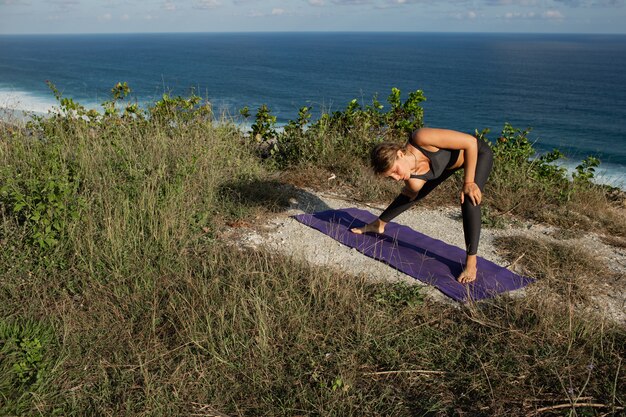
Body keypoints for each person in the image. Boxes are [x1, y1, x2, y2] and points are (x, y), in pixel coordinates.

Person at [350, 127, 493, 283]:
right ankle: (378, 224)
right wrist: (411, 191)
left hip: (476, 153)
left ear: (400, 153)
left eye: (395, 171)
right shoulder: (412, 180)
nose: (396, 179)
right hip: (448, 165)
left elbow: (470, 142)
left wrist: (469, 182)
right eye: (391, 177)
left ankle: (471, 262)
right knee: (415, 192)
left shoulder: (421, 137)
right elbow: (411, 194)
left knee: (468, 196)